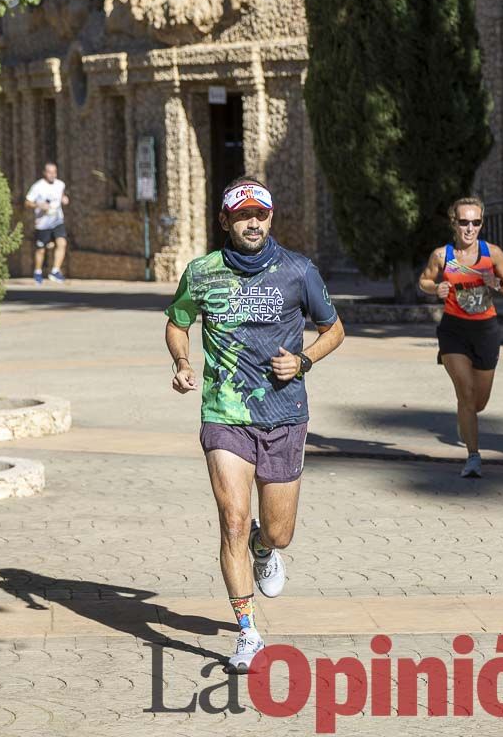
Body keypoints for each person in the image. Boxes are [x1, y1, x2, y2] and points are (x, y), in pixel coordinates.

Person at [164, 177, 345, 673]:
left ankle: (266, 550)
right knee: (233, 522)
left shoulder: (298, 271)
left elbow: (335, 329)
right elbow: (178, 322)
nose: (252, 222)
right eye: (243, 215)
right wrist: (182, 362)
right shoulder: (202, 273)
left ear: (271, 218)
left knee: (278, 531)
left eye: (260, 214)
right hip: (225, 414)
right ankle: (247, 632)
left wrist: (304, 361)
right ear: (225, 221)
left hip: (285, 414)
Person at [417, 197, 503, 479]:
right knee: (466, 392)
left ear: (481, 224)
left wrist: (497, 283)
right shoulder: (443, 255)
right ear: (454, 223)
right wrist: (435, 288)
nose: (470, 228)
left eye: (476, 222)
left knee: (479, 402)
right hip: (454, 331)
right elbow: (424, 280)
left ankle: (467, 418)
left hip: (486, 330)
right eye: (464, 222)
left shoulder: (492, 254)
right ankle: (473, 457)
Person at [24, 162, 69, 284]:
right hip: (43, 223)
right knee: (41, 249)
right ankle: (38, 272)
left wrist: (64, 199)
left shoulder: (60, 184)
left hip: (57, 220)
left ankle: (55, 271)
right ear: (44, 173)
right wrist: (38, 205)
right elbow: (27, 202)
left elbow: (61, 195)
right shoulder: (38, 186)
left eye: (54, 172)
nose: (52, 175)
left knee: (62, 243)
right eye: (50, 172)